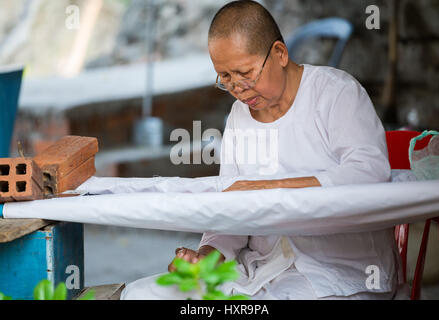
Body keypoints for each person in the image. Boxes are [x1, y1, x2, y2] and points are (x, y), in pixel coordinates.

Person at [121, 0, 408, 300]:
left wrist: (267, 189)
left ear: (280, 54)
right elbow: (232, 213)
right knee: (145, 294)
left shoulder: (336, 93)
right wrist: (205, 258)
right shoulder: (238, 116)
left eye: (246, 73)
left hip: (342, 274)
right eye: (226, 78)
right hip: (261, 271)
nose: (238, 88)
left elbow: (369, 173)